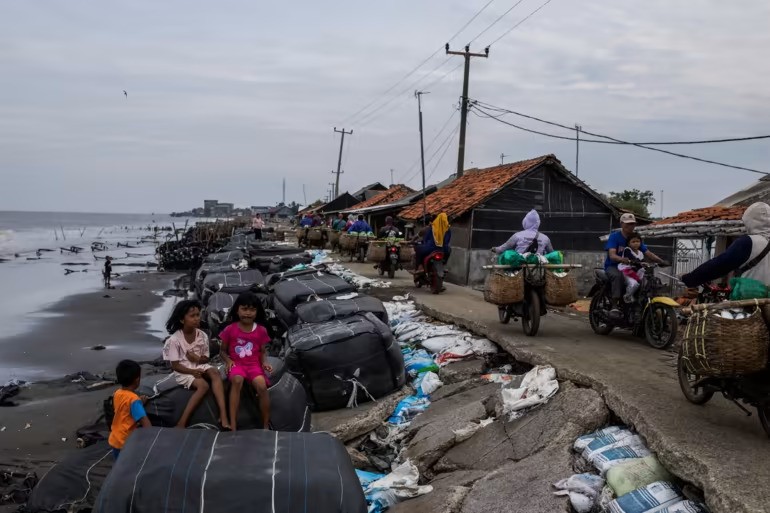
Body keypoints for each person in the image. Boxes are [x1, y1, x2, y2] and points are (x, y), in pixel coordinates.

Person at [163, 300, 230, 429]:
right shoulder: (174, 340)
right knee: (203, 386)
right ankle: (182, 421)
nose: (196, 319)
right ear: (182, 320)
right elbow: (175, 365)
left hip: (198, 365)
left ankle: (223, 414)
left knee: (215, 373)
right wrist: (192, 372)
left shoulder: (202, 335)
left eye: (198, 315)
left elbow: (206, 359)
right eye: (192, 316)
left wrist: (198, 359)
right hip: (184, 370)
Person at [682, 202, 770, 290]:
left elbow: (720, 265)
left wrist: (690, 278)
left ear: (749, 221)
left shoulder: (749, 242)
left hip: (751, 299)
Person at [220, 292, 273, 431]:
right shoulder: (230, 329)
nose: (248, 313)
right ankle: (233, 424)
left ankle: (266, 424)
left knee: (261, 386)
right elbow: (222, 351)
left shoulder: (261, 330)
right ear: (237, 310)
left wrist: (265, 362)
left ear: (257, 312)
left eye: (252, 310)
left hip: (254, 365)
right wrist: (228, 360)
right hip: (237, 364)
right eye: (244, 309)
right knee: (237, 380)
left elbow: (262, 351)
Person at [605, 213, 667, 315]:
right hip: (614, 266)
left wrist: (661, 261)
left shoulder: (635, 238)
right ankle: (614, 305)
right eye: (627, 224)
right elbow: (612, 255)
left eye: (632, 224)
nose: (630, 226)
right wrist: (622, 259)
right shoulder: (614, 237)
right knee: (617, 276)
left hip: (631, 268)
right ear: (621, 224)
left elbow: (648, 253)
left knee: (646, 280)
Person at [108, 360, 151, 459]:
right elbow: (145, 422)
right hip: (126, 442)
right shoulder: (133, 399)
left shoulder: (117, 393)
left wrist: (140, 403)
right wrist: (152, 439)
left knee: (119, 467)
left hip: (115, 439)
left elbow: (124, 409)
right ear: (137, 380)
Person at [618, 233, 645, 303]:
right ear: (629, 243)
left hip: (635, 272)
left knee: (645, 282)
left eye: (638, 241)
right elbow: (631, 258)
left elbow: (642, 262)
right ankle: (627, 296)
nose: (636, 243)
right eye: (633, 242)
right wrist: (638, 262)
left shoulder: (641, 253)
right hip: (626, 272)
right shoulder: (627, 250)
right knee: (634, 284)